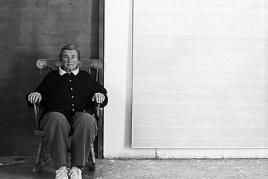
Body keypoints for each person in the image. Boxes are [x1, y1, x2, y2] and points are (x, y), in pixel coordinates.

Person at [27, 44, 108, 179]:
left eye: (73, 57)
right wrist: (35, 95)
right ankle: (61, 168)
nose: (69, 60)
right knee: (56, 118)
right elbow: (37, 96)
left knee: (86, 119)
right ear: (60, 60)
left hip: (81, 114)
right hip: (55, 115)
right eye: (65, 57)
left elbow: (102, 96)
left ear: (78, 60)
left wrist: (101, 95)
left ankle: (76, 168)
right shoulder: (52, 77)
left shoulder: (85, 77)